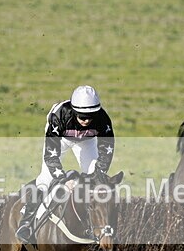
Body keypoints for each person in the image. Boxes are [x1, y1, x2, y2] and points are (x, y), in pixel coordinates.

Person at [15, 85, 115, 243]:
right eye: (82, 117)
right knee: (45, 180)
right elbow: (50, 155)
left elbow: (106, 151)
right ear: (75, 111)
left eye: (90, 117)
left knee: (95, 183)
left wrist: (98, 174)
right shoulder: (59, 116)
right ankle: (26, 222)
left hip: (87, 142)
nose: (86, 121)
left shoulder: (103, 119)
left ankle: (95, 227)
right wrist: (63, 179)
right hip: (60, 140)